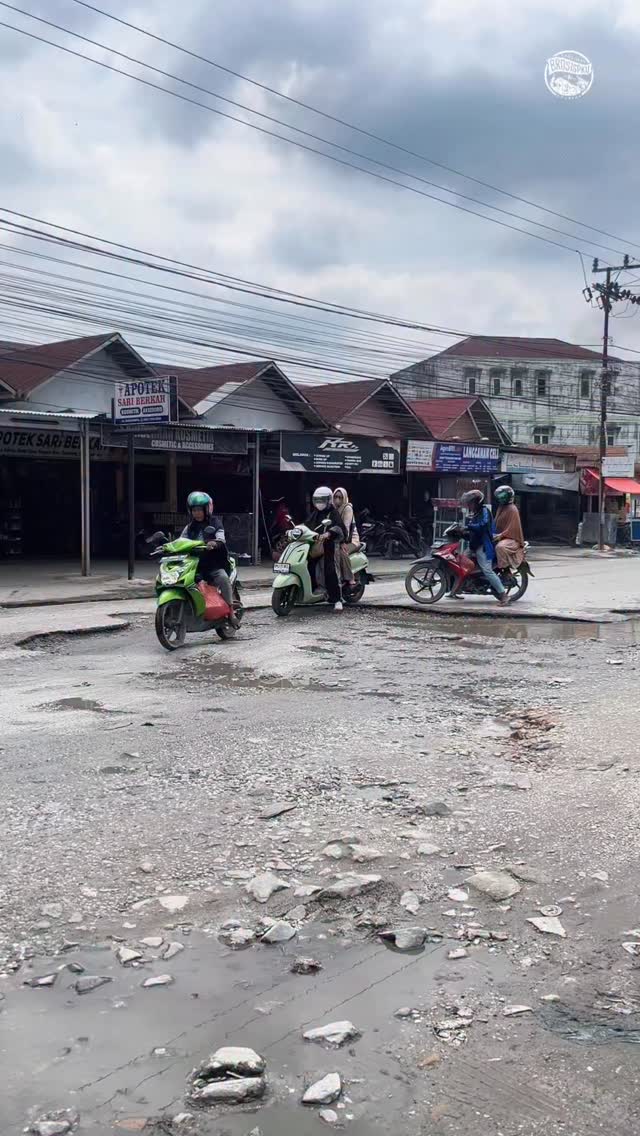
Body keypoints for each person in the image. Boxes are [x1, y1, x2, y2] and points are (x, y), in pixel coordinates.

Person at [181, 490, 239, 626]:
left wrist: (214, 543)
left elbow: (221, 538)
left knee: (223, 579)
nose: (197, 513)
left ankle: (231, 613)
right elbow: (181, 541)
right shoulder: (190, 527)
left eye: (200, 510)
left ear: (207, 509)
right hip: (195, 565)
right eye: (194, 510)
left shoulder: (216, 523)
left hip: (214, 564)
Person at [461, 489, 510, 606]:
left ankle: (504, 596)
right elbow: (473, 530)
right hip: (474, 545)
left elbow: (482, 525)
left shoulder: (484, 511)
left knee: (487, 570)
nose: (469, 505)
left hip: (484, 546)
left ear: (478, 502)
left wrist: (470, 527)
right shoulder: (476, 513)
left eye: (471, 503)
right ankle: (455, 590)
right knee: (460, 561)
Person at [306, 485, 347, 611]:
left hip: (329, 546)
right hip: (315, 545)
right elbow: (307, 524)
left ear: (328, 500)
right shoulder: (315, 514)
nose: (319, 503)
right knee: (308, 565)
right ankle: (313, 592)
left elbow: (340, 529)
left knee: (330, 570)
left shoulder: (333, 513)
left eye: (322, 500)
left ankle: (337, 599)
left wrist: (329, 533)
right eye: (317, 500)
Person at [493, 485, 525, 572]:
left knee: (500, 547)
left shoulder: (512, 509)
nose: (501, 499)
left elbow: (512, 528)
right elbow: (495, 522)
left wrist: (500, 535)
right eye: (500, 497)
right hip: (500, 536)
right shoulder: (501, 507)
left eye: (503, 497)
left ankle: (505, 570)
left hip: (512, 538)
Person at [333, 487, 360, 587]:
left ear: (344, 498)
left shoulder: (347, 508)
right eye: (335, 497)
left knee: (341, 552)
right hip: (336, 539)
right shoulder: (333, 509)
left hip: (351, 540)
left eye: (340, 497)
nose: (337, 499)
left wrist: (342, 542)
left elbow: (346, 527)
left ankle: (350, 578)